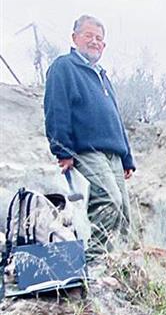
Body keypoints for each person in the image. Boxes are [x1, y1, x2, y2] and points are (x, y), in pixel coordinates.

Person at [43, 14, 135, 259]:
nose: (95, 42)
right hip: (87, 150)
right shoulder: (64, 67)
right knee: (108, 201)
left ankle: (117, 263)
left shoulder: (102, 75)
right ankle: (95, 261)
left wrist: (127, 158)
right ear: (75, 38)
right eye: (89, 36)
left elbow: (115, 118)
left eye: (99, 39)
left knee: (124, 211)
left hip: (113, 154)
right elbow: (56, 108)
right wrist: (62, 149)